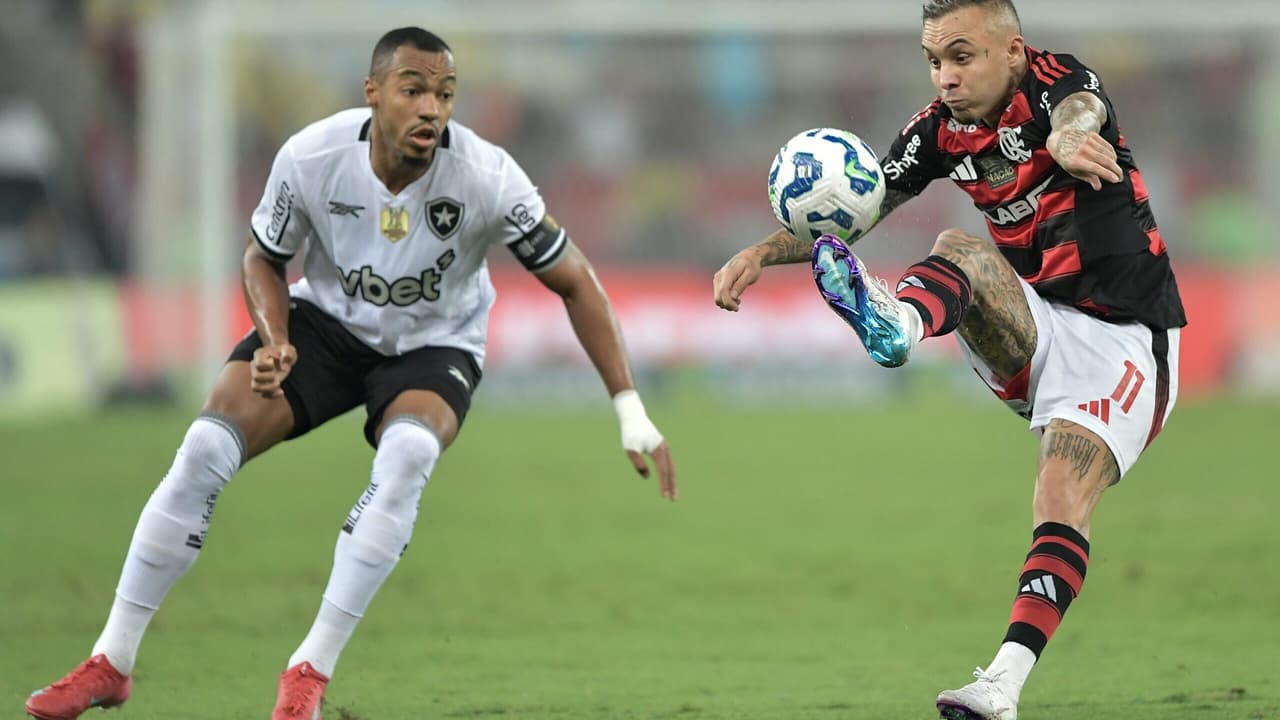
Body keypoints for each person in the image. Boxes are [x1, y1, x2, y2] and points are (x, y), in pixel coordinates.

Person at [27, 27, 676, 720]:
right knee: (203, 450)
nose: (432, 108)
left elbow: (575, 281)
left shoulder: (489, 177)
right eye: (414, 90)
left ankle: (308, 673)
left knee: (407, 457)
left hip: (436, 342)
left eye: (446, 94)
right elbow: (262, 257)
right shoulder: (312, 157)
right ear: (373, 94)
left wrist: (630, 409)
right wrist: (275, 338)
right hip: (326, 327)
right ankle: (111, 662)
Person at [713, 1, 1184, 718]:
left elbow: (1082, 109)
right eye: (934, 60)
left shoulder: (1061, 84)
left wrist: (1069, 137)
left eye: (962, 57)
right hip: (1036, 322)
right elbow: (858, 209)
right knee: (958, 250)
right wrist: (760, 251)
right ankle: (899, 325)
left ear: (1014, 53)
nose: (946, 77)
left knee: (1059, 495)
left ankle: (1000, 686)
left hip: (1126, 336)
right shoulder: (938, 131)